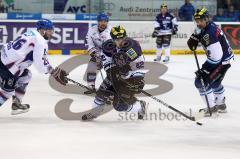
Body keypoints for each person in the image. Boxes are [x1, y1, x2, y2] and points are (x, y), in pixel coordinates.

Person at [0, 19, 68, 115]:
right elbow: (40, 64)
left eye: (52, 30)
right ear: (43, 30)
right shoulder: (41, 42)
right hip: (6, 65)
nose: (51, 33)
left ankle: (16, 104)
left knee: (26, 76)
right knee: (7, 91)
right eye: (49, 30)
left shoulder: (31, 33)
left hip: (3, 55)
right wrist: (54, 72)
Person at [90, 25, 146, 120]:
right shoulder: (107, 47)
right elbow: (108, 64)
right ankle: (94, 112)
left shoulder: (133, 45)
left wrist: (134, 79)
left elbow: (135, 65)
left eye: (122, 38)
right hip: (116, 74)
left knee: (119, 105)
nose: (120, 41)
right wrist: (113, 75)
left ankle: (139, 106)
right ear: (112, 39)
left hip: (134, 74)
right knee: (101, 94)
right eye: (117, 39)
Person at [187, 8, 234, 116]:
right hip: (226, 59)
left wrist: (204, 69)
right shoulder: (209, 26)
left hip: (222, 61)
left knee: (200, 81)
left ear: (206, 19)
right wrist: (195, 35)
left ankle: (211, 108)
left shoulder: (209, 33)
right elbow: (199, 35)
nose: (198, 23)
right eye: (196, 21)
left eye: (200, 21)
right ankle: (221, 105)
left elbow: (216, 57)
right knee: (215, 82)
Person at [84, 13, 111, 94]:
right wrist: (96, 56)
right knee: (92, 65)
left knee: (111, 70)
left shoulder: (111, 31)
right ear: (97, 22)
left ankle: (111, 87)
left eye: (105, 21)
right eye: (101, 21)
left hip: (110, 54)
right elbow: (89, 44)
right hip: (97, 52)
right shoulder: (92, 30)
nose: (103, 23)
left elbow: (112, 46)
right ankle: (91, 86)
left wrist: (103, 58)